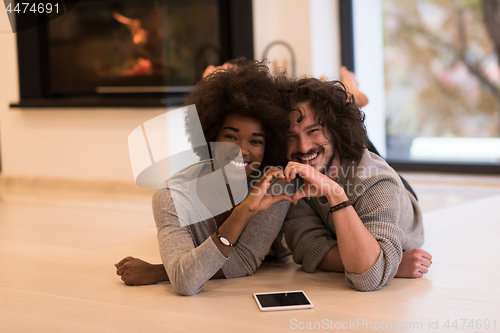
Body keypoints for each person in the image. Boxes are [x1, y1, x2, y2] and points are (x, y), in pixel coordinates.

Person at [116, 60, 293, 295]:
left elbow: (243, 261)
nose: (241, 150)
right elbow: (187, 283)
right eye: (231, 137)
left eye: (256, 141)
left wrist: (162, 270)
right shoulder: (172, 197)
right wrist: (244, 211)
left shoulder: (274, 185)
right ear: (210, 135)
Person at [280, 77, 432, 292]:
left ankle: (352, 98)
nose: (303, 147)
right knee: (339, 149)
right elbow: (307, 249)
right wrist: (387, 264)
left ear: (332, 130)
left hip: (400, 197)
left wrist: (335, 193)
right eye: (290, 136)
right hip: (342, 163)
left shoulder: (376, 180)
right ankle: (352, 98)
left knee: (360, 148)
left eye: (313, 130)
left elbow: (368, 277)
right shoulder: (294, 174)